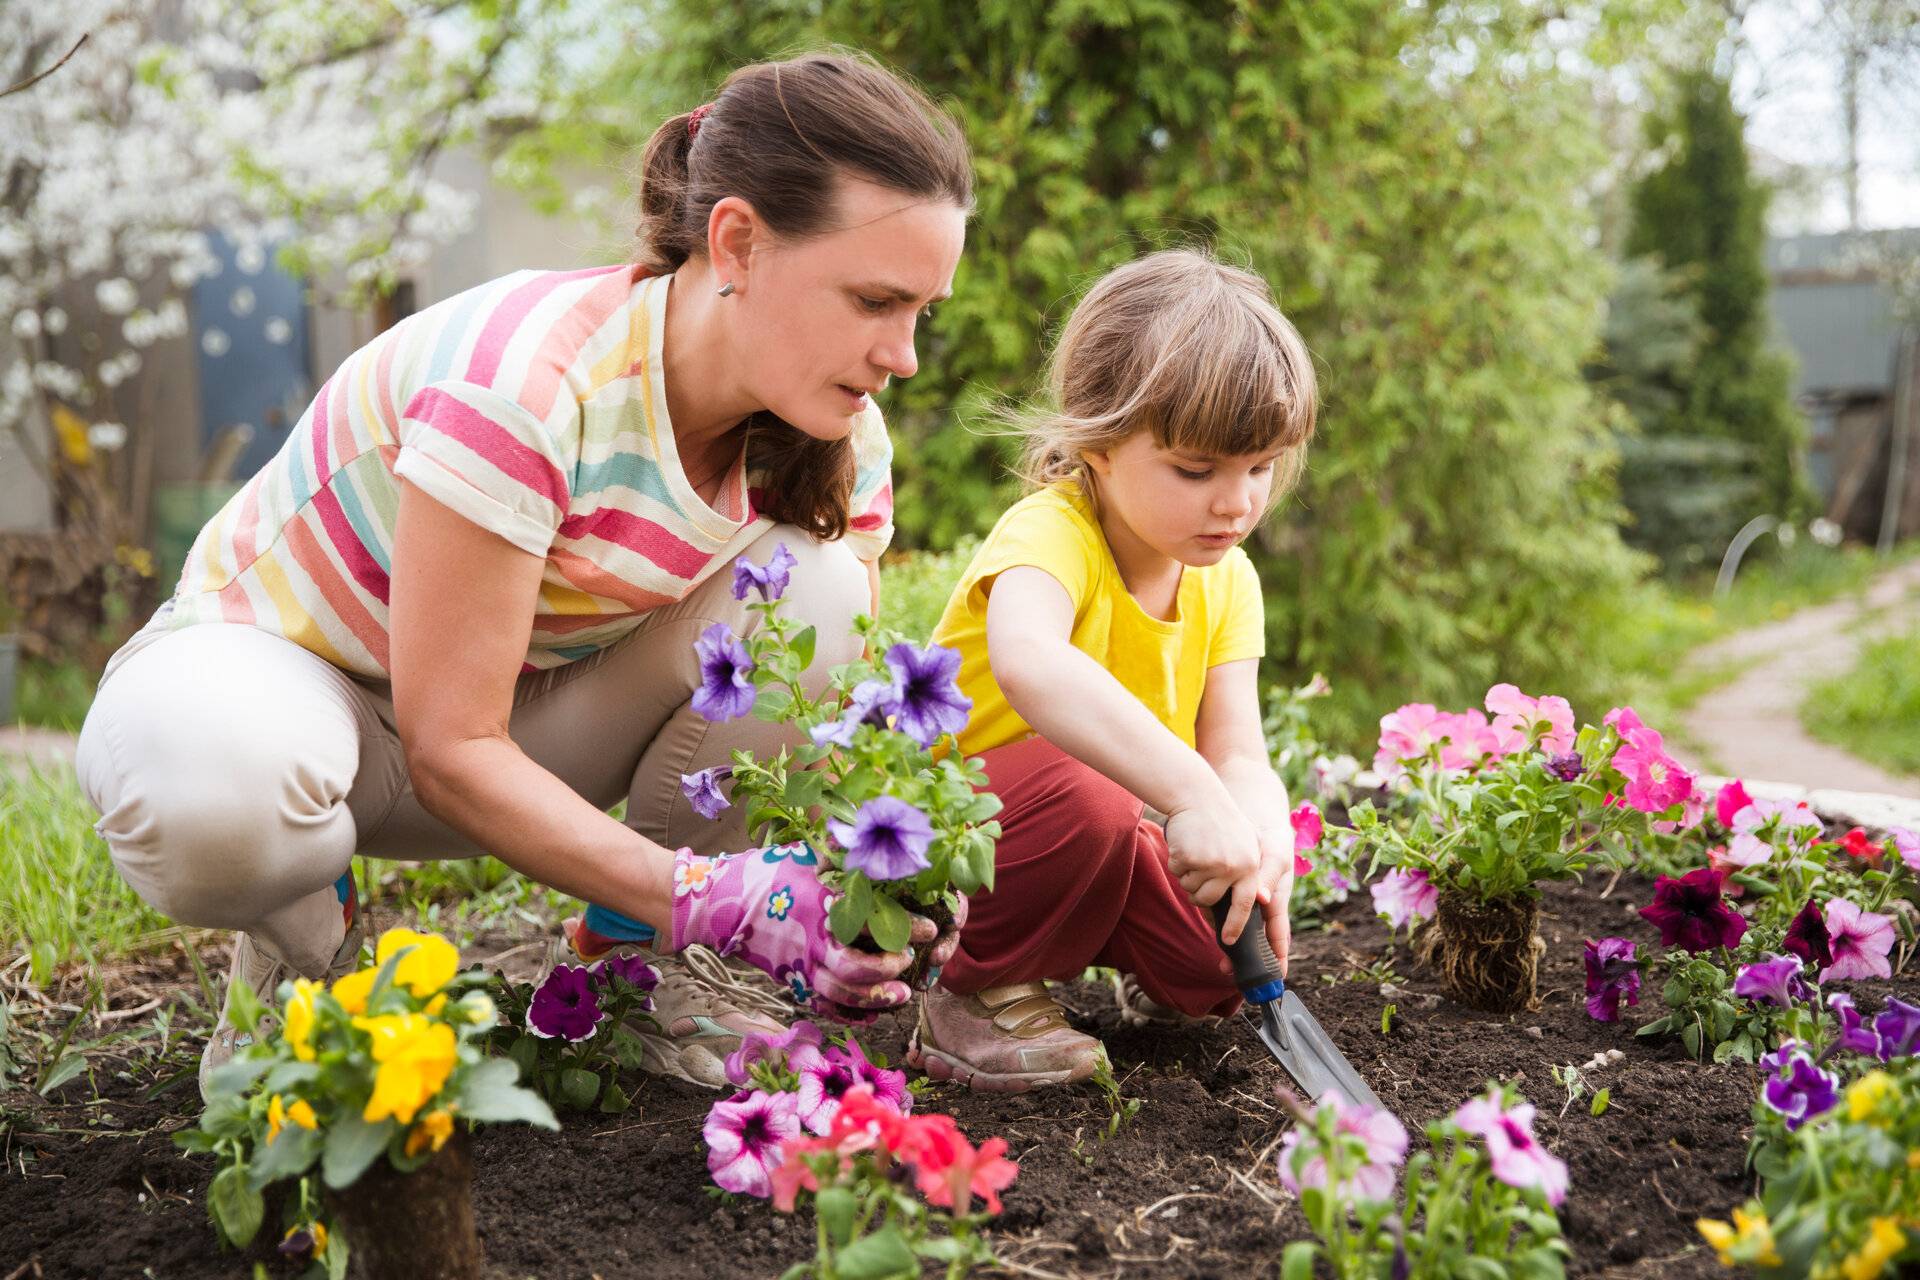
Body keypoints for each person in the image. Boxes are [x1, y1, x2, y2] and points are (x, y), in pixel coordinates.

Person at [75, 51, 972, 1097]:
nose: (902, 354)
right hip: (295, 693)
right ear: (737, 242)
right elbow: (453, 748)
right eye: (873, 299)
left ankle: (641, 964)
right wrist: (718, 889)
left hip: (510, 729)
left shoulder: (840, 437)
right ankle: (306, 963)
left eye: (922, 311)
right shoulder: (527, 384)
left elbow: (821, 728)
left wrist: (862, 891)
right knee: (210, 795)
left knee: (816, 591)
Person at [906, 249, 1319, 1091]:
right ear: (1097, 444)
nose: (1237, 502)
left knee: (1224, 968)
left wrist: (1259, 840)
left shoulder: (1228, 576)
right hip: (963, 842)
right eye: (1197, 470)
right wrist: (1194, 797)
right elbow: (1032, 668)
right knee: (1093, 792)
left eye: (1261, 468)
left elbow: (1236, 749)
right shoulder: (1050, 535)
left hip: (1099, 828)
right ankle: (969, 993)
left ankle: (1113, 954)